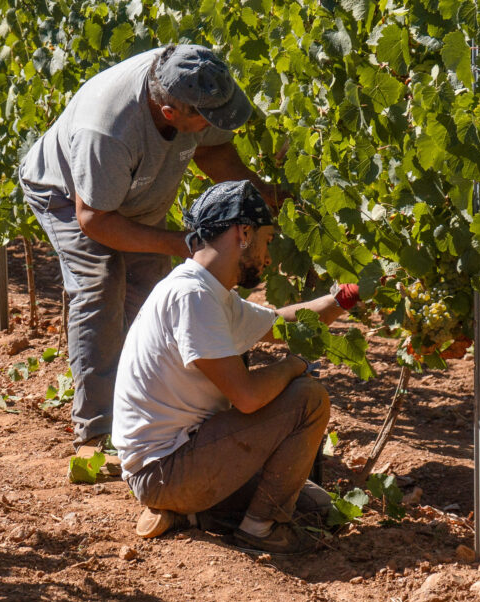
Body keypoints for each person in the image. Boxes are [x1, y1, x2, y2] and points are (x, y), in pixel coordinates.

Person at [19, 44, 287, 451]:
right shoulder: (108, 129)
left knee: (147, 292)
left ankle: (141, 413)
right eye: (206, 121)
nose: (213, 124)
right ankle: (96, 429)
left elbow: (213, 150)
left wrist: (259, 191)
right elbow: (95, 219)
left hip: (134, 196)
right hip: (68, 195)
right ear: (171, 114)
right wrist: (181, 243)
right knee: (102, 284)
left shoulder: (196, 81)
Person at [111, 181, 364, 555]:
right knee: (308, 397)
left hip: (186, 456)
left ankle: (189, 516)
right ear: (243, 233)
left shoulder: (210, 292)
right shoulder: (193, 296)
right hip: (164, 471)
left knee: (319, 510)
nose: (269, 254)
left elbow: (281, 321)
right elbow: (246, 397)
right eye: (267, 238)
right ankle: (261, 529)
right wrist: (295, 365)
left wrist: (347, 297)